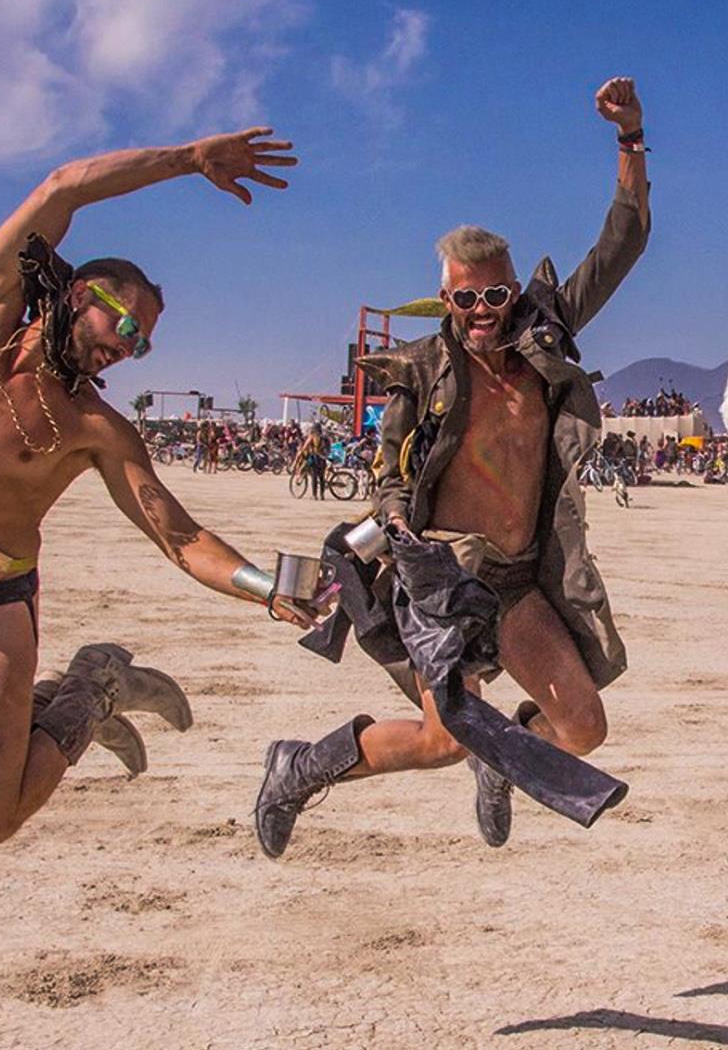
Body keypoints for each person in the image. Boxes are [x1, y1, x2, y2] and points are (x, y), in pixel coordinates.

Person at [0, 128, 317, 848]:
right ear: (77, 293)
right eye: (125, 323)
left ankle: (91, 693)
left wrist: (266, 589)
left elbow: (181, 536)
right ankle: (56, 710)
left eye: (142, 343)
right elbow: (62, 187)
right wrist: (188, 160)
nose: (128, 347)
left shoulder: (94, 426)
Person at [253, 77, 652, 857]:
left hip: (520, 579)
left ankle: (503, 760)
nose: (481, 311)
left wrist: (629, 136)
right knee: (443, 741)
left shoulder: (544, 335)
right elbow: (390, 474)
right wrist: (397, 521)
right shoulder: (423, 370)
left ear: (512, 288)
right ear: (445, 299)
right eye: (465, 300)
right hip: (445, 580)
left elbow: (624, 240)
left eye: (495, 294)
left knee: (582, 728)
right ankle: (298, 767)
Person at [296, 422, 330, 501]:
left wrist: (301, 452)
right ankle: (322, 495)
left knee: (314, 477)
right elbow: (329, 448)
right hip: (323, 459)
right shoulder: (325, 437)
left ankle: (314, 495)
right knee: (321, 477)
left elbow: (305, 446)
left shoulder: (313, 436)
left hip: (315, 458)